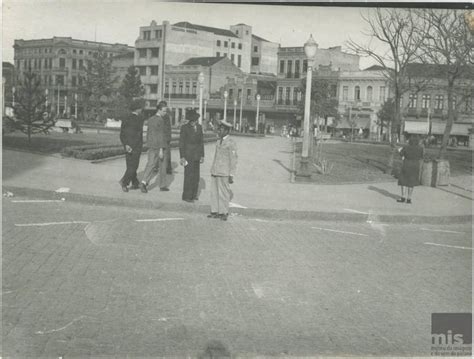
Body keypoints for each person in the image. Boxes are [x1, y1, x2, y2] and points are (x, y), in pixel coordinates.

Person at [208, 119, 238, 221]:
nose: (219, 131)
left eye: (221, 130)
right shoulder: (218, 141)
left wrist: (231, 174)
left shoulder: (231, 143)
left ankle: (223, 212)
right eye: (219, 129)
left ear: (226, 131)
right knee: (214, 192)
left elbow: (233, 159)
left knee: (223, 193)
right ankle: (215, 211)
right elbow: (215, 156)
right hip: (215, 170)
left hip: (224, 172)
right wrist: (212, 169)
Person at [140, 100, 170, 193]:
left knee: (151, 164)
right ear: (159, 110)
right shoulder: (161, 120)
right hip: (160, 146)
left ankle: (144, 181)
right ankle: (162, 185)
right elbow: (160, 135)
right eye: (164, 111)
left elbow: (149, 133)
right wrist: (161, 149)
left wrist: (148, 144)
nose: (165, 113)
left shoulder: (151, 119)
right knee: (162, 165)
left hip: (152, 145)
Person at [119, 99, 145, 192]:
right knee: (134, 166)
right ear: (138, 109)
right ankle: (124, 182)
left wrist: (125, 144)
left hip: (127, 146)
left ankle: (135, 182)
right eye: (141, 108)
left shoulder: (126, 118)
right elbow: (138, 134)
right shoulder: (140, 118)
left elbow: (122, 133)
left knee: (130, 165)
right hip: (136, 146)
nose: (142, 109)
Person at [179, 109, 205, 203]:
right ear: (190, 120)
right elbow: (181, 143)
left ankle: (194, 195)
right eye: (193, 120)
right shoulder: (184, 128)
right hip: (188, 155)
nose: (194, 122)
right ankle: (186, 196)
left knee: (196, 176)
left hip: (197, 155)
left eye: (196, 120)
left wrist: (202, 155)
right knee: (188, 176)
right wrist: (182, 156)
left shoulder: (199, 127)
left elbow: (201, 142)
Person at [397, 135, 424, 204]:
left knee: (404, 181)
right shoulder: (420, 148)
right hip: (415, 165)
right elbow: (421, 156)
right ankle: (409, 198)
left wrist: (399, 150)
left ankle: (403, 197)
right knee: (411, 182)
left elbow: (401, 154)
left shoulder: (406, 147)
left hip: (407, 164)